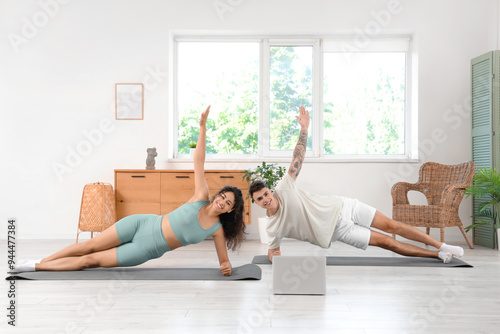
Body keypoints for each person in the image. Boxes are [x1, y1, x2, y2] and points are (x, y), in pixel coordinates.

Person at [15, 106, 246, 276]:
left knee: (90, 260)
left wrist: (226, 268)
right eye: (222, 197)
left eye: (227, 203)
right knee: (89, 244)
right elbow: (199, 161)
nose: (222, 202)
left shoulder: (217, 231)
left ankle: (37, 266)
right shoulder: (200, 197)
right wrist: (202, 129)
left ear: (231, 210)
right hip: (142, 223)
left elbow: (224, 262)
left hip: (145, 249)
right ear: (217, 195)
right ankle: (39, 261)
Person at [249, 106, 464, 264]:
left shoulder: (284, 187)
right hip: (341, 230)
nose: (266, 199)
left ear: (269, 189)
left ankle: (442, 245)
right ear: (256, 203)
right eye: (260, 199)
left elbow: (298, 156)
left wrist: (304, 129)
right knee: (386, 242)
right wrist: (273, 257)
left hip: (344, 207)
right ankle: (436, 255)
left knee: (392, 226)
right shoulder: (272, 226)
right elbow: (273, 249)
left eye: (266, 193)